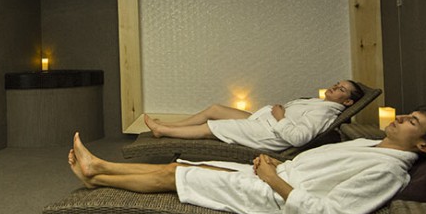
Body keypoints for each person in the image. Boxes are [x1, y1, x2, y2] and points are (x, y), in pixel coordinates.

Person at [68, 106, 426, 214]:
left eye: (412, 122)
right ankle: (97, 169)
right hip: (276, 177)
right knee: (179, 165)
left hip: (276, 201)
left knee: (173, 176)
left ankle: (96, 172)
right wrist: (280, 164)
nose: (400, 118)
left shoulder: (389, 173)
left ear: (425, 145)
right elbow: (316, 168)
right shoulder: (371, 145)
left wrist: (274, 179)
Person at [143, 79, 365, 153]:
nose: (334, 87)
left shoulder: (325, 113)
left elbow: (299, 138)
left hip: (269, 135)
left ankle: (163, 130)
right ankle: (172, 125)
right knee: (215, 109)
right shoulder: (321, 103)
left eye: (341, 89)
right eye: (337, 84)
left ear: (347, 102)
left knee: (213, 127)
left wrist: (280, 116)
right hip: (263, 121)